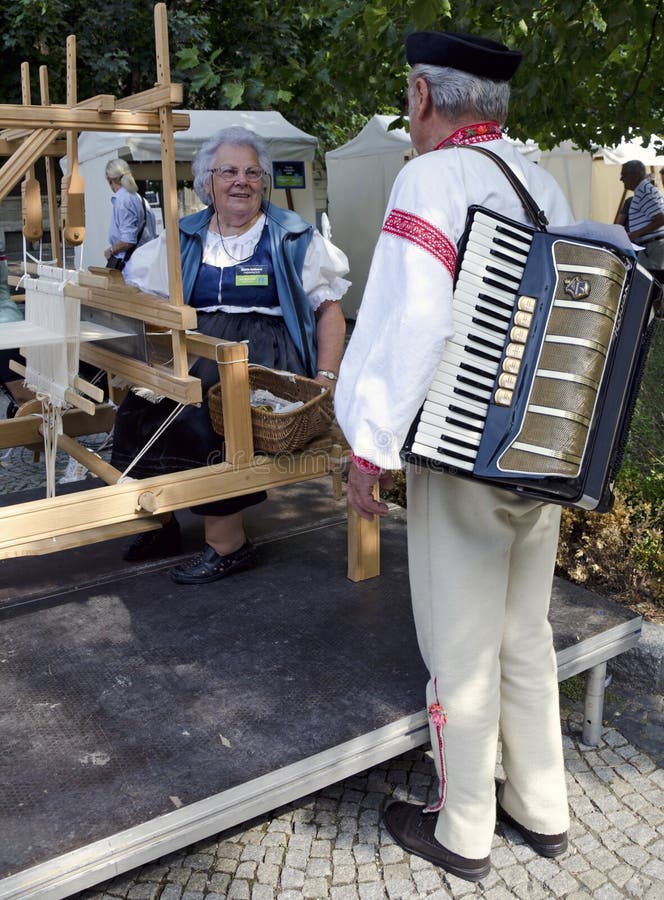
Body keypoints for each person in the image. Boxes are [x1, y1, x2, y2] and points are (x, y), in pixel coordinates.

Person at [335, 31, 574, 883]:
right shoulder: (541, 180)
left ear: (424, 98)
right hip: (539, 448)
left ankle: (464, 825)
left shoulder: (429, 178)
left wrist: (371, 445)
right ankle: (543, 807)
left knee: (460, 644)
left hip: (460, 447)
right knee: (524, 633)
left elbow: (414, 323)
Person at [111, 126, 349, 584]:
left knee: (203, 420)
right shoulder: (185, 234)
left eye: (251, 172)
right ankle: (160, 522)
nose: (241, 181)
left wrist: (326, 376)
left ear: (264, 180)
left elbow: (330, 313)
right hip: (200, 346)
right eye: (229, 171)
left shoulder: (293, 237)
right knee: (140, 407)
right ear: (208, 181)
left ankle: (229, 545)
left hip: (264, 356)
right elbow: (142, 292)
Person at [104, 158, 157, 270]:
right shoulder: (139, 199)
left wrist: (111, 250)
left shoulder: (123, 200)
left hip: (131, 267)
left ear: (110, 180)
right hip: (148, 262)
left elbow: (128, 241)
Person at [619, 159, 664, 278]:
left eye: (623, 175)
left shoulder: (644, 191)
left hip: (654, 247)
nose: (621, 179)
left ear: (634, 175)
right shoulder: (643, 190)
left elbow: (661, 219)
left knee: (651, 284)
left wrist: (635, 234)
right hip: (651, 246)